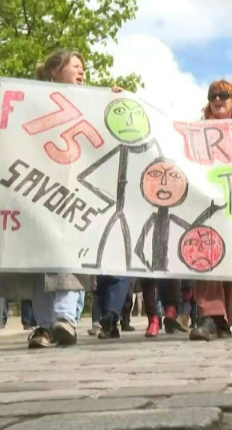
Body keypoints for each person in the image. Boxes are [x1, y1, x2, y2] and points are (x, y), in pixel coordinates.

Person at [26, 50, 120, 348]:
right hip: (38, 189)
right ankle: (43, 324)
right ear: (55, 70)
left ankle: (64, 318)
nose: (82, 71)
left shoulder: (91, 101)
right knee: (43, 257)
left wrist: (114, 102)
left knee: (72, 253)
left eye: (83, 67)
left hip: (79, 193)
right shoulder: (31, 100)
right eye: (75, 66)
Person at [188, 79, 232, 341]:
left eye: (223, 94)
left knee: (229, 262)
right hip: (205, 203)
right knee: (207, 256)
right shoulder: (196, 131)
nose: (217, 99)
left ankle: (223, 320)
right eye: (212, 95)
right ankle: (208, 315)